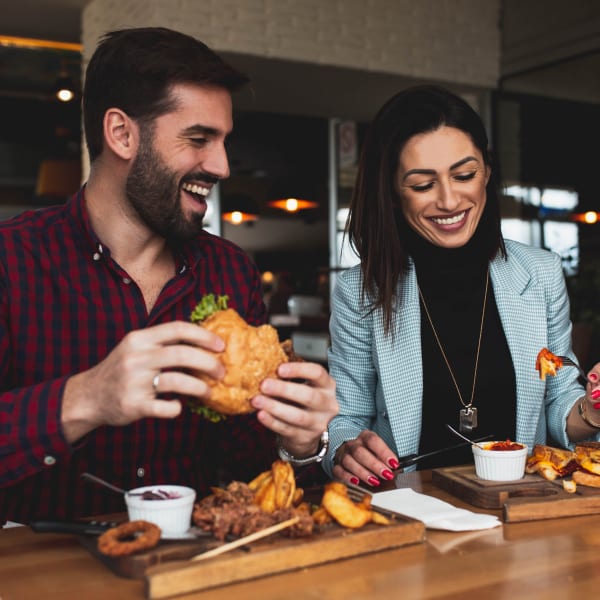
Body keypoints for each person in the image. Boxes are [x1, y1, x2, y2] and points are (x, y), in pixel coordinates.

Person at [0, 27, 337, 525]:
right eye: (199, 139)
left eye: (224, 141)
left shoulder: (231, 271)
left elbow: (249, 468)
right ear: (122, 134)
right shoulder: (12, 258)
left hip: (192, 571)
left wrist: (299, 441)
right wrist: (86, 397)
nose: (221, 165)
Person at [323, 85, 600, 488]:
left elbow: (558, 400)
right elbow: (346, 418)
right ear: (393, 193)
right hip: (413, 513)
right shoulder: (360, 292)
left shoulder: (539, 273)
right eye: (422, 185)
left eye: (464, 175)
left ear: (487, 171)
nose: (450, 200)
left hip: (521, 516)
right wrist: (348, 450)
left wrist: (593, 411)